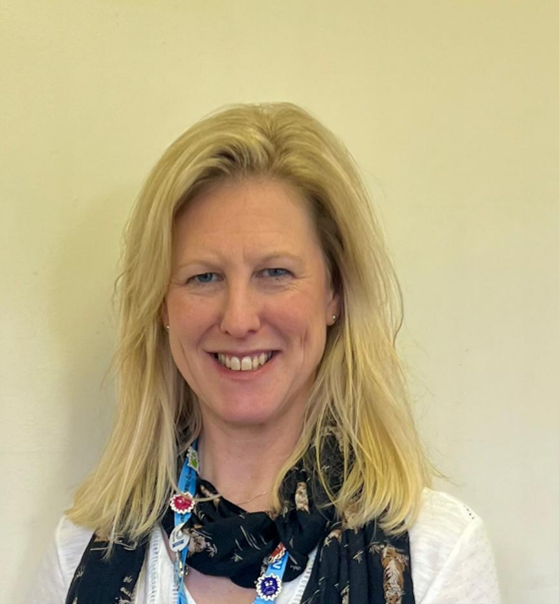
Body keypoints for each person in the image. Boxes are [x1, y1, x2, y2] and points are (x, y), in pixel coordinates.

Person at [26, 103, 501, 604]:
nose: (238, 319)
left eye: (275, 273)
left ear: (334, 294)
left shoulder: (435, 555)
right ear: (161, 305)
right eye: (203, 277)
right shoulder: (78, 554)